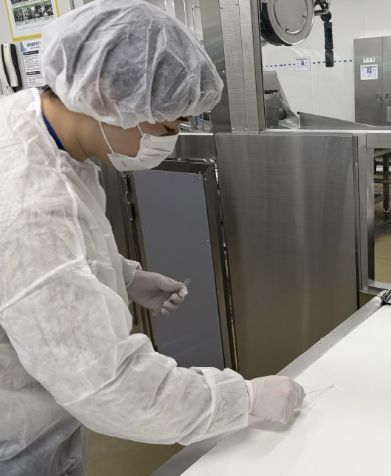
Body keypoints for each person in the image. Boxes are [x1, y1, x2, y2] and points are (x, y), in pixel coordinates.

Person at [0, 1, 304, 475]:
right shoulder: (30, 202)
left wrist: (123, 276)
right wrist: (243, 398)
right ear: (101, 94)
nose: (169, 140)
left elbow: (52, 257)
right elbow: (107, 386)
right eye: (165, 125)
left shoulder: (35, 124)